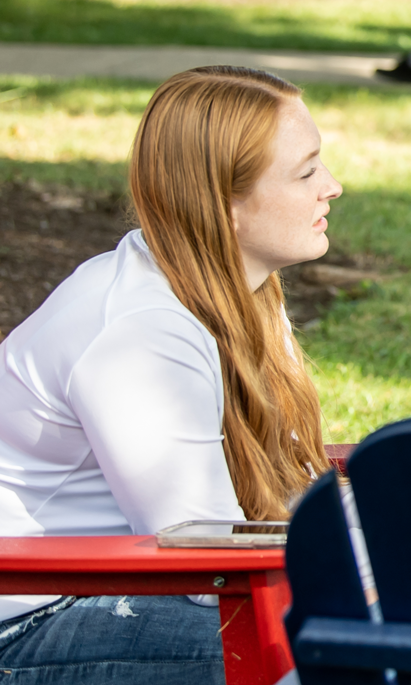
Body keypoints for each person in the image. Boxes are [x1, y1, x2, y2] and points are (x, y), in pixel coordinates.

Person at [0, 66, 339, 682]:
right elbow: (207, 567)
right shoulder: (140, 331)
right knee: (346, 643)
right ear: (224, 205)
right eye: (307, 171)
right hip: (24, 621)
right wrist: (398, 563)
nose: (333, 186)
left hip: (108, 590)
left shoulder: (244, 292)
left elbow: (287, 478)